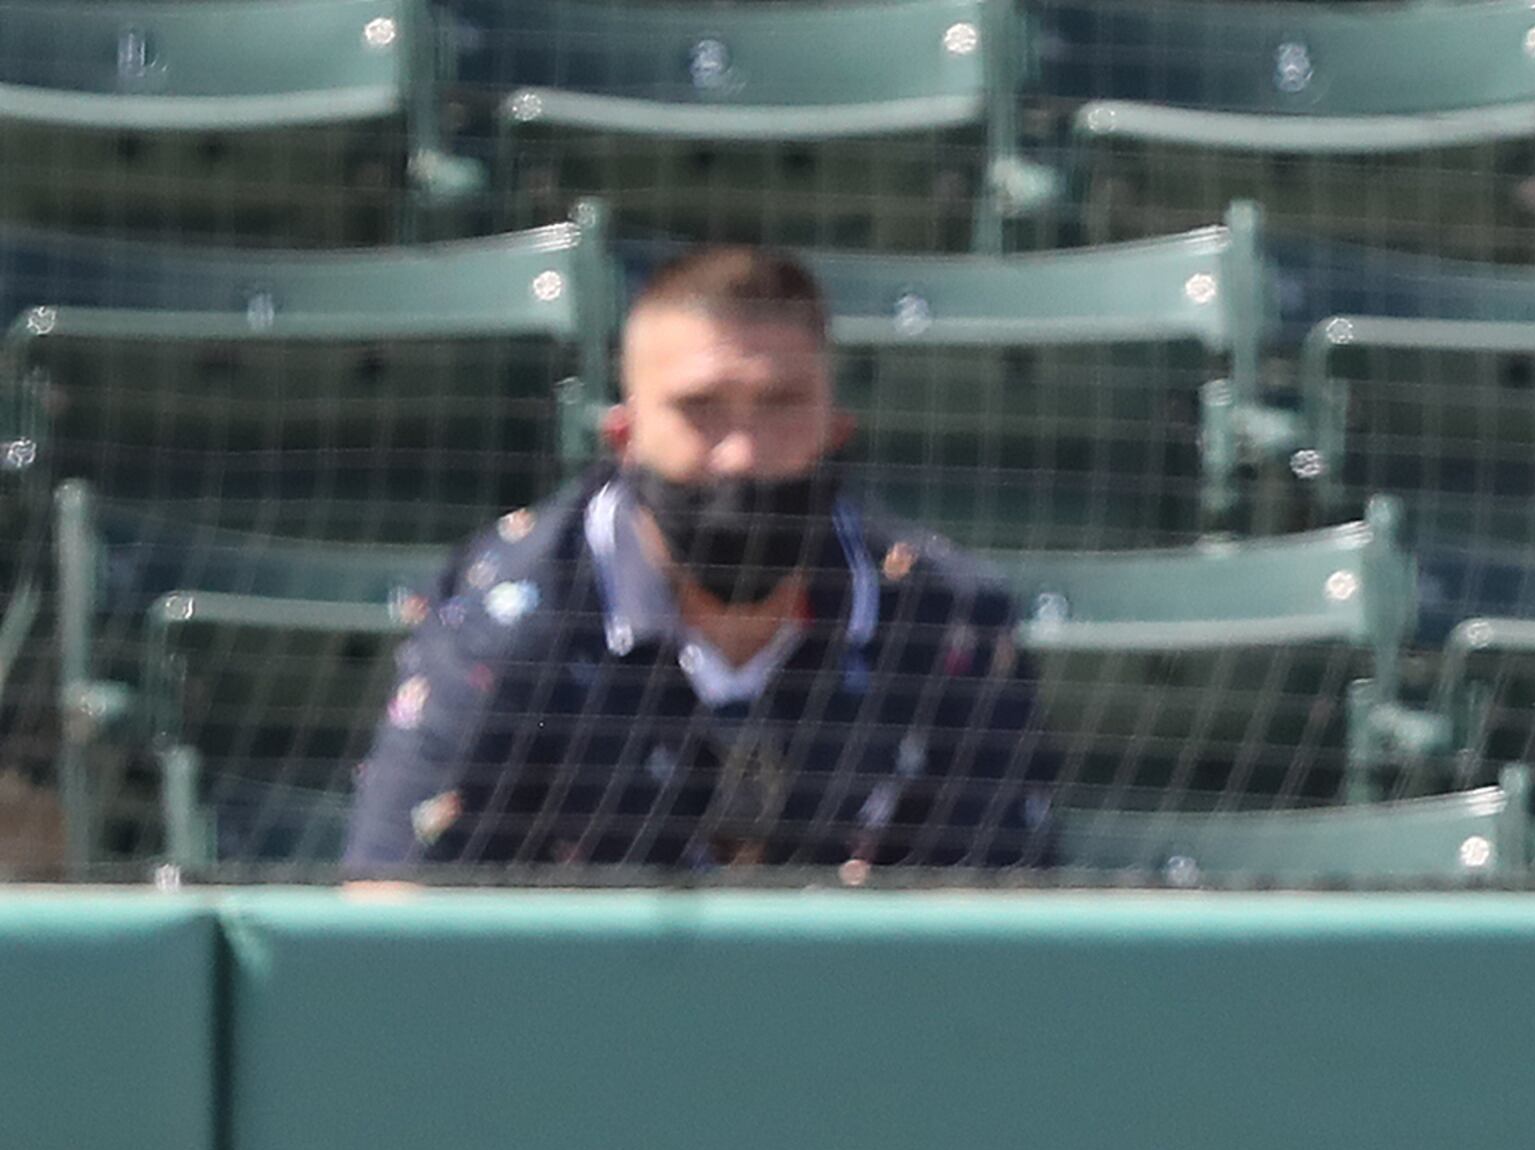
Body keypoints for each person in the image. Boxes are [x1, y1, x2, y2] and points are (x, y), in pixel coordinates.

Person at [344, 246, 1056, 878]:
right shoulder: (502, 620)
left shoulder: (946, 619)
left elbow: (1002, 924)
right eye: (700, 409)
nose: (742, 455)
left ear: (836, 429)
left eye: (780, 404)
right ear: (623, 435)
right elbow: (393, 909)